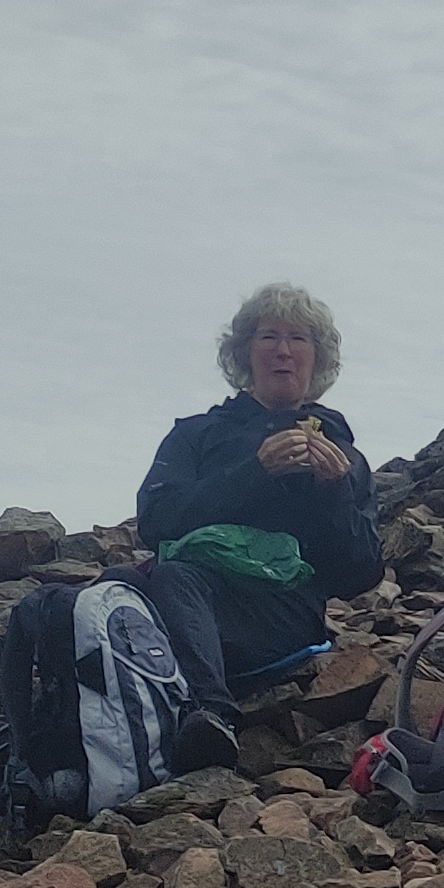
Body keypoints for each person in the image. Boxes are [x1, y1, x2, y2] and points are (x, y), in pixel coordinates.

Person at [136, 282, 388, 680]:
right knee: (63, 603)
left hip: (282, 613)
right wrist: (253, 472)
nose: (283, 351)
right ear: (245, 352)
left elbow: (360, 574)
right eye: (268, 336)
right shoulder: (197, 434)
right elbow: (155, 520)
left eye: (297, 338)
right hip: (188, 597)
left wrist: (333, 493)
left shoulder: (342, 454)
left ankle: (210, 715)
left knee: (171, 579)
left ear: (316, 358)